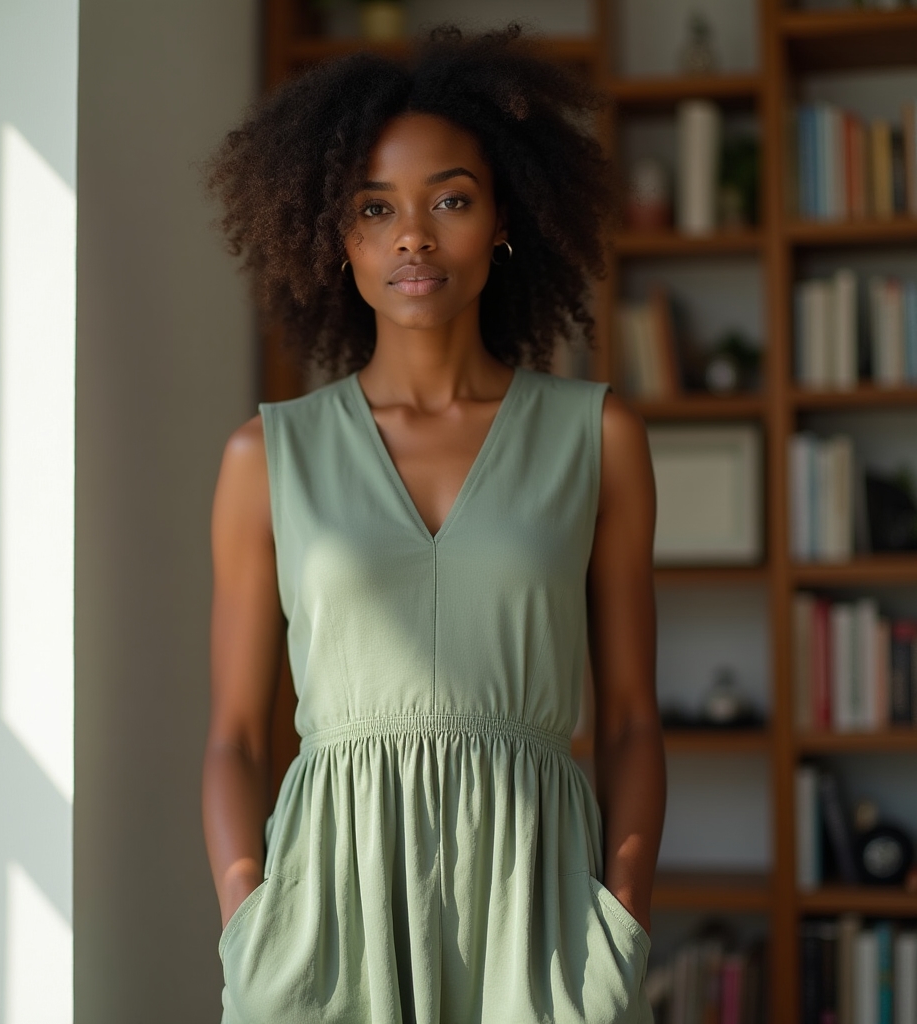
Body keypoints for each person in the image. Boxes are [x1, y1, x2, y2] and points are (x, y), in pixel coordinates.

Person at [201, 24, 666, 1024]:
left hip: (535, 926)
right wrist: (250, 924)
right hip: (326, 930)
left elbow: (629, 717)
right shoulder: (264, 458)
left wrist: (617, 926)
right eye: (376, 208)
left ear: (503, 219)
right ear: (337, 236)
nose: (413, 236)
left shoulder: (598, 438)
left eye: (449, 199)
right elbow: (236, 736)